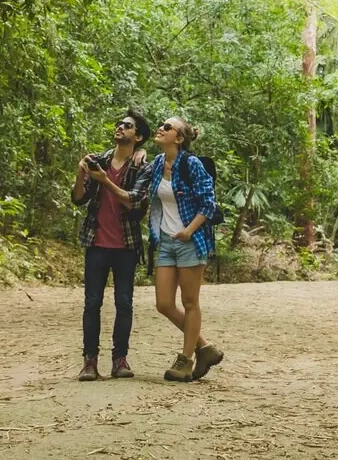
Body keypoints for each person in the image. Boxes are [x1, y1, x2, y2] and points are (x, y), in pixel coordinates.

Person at [140, 116, 225, 382]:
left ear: (178, 138)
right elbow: (140, 187)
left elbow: (208, 203)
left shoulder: (192, 164)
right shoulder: (156, 164)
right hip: (165, 241)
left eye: (167, 127)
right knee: (164, 303)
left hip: (190, 241)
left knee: (190, 302)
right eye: (161, 125)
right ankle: (205, 347)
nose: (160, 129)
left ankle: (186, 360)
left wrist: (189, 229)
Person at [72, 110, 151, 381]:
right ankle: (89, 361)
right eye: (119, 124)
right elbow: (79, 199)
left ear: (137, 136)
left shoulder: (142, 166)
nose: (120, 127)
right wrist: (80, 172)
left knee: (124, 303)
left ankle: (120, 359)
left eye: (127, 126)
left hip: (126, 245)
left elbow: (133, 200)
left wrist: (104, 180)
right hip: (96, 242)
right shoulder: (99, 159)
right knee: (92, 303)